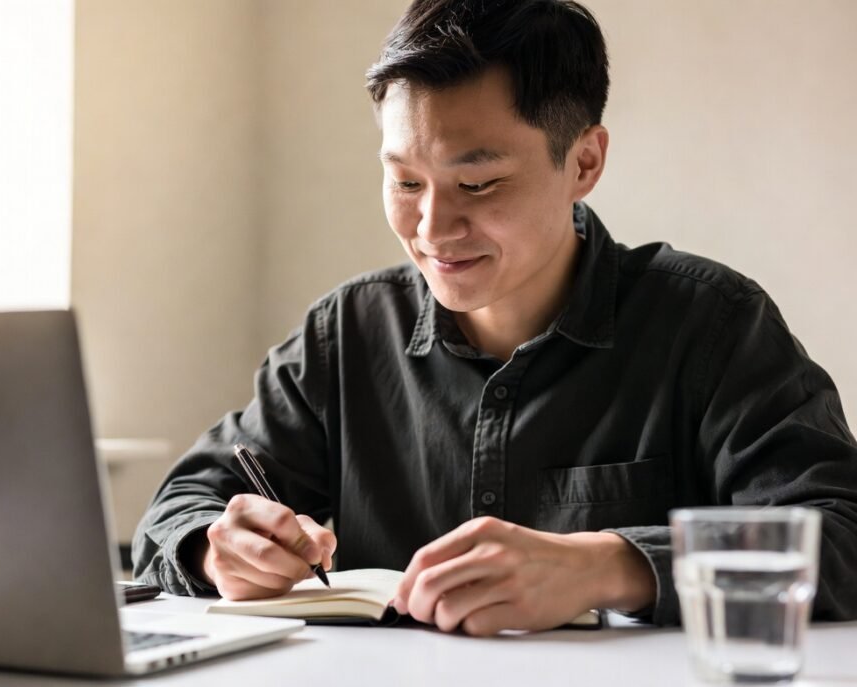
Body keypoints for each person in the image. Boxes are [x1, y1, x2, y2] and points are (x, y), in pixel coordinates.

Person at [132, 0, 857, 635]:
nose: (433, 226)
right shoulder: (347, 333)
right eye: (405, 180)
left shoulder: (712, 324)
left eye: (478, 182)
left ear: (584, 163)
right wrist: (212, 543)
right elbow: (178, 505)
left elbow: (842, 534)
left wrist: (610, 565)